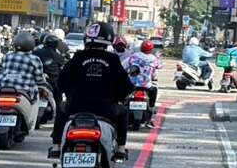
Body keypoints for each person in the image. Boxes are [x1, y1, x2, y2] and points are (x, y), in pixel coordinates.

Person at [49, 21, 134, 160]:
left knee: (61, 109)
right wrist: (118, 97)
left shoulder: (78, 57)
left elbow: (61, 82)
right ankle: (121, 148)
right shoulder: (112, 59)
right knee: (123, 112)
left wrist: (70, 94)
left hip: (75, 107)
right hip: (106, 109)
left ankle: (56, 146)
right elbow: (126, 86)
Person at [126, 39, 161, 108]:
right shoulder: (154, 58)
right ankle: (151, 107)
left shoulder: (134, 56)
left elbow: (125, 65)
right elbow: (158, 67)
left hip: (132, 84)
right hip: (146, 85)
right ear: (151, 49)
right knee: (154, 89)